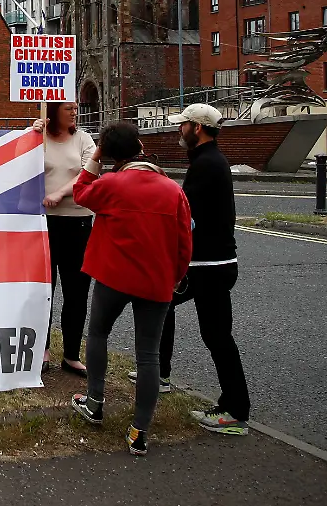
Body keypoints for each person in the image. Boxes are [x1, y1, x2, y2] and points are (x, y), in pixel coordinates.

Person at [68, 121, 192, 456]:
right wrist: (175, 277)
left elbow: (80, 192)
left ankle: (94, 402)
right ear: (139, 145)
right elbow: (184, 243)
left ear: (108, 154)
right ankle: (139, 431)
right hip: (156, 281)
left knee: (98, 334)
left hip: (113, 277)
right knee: (148, 354)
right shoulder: (172, 190)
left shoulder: (111, 184)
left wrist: (95, 158)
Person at [150, 103, 250, 435]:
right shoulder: (207, 161)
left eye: (183, 125)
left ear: (197, 128)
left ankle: (236, 411)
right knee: (163, 303)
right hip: (210, 263)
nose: (179, 130)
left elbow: (180, 207)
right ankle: (160, 374)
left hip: (210, 265)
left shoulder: (208, 164)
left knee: (217, 336)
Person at [38, 102, 96, 377]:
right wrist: (31, 136)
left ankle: (72, 354)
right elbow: (18, 166)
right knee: (44, 290)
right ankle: (43, 350)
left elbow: (89, 175)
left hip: (79, 222)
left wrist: (60, 193)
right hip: (45, 224)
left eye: (75, 108)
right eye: (68, 108)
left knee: (77, 291)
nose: (74, 112)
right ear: (52, 111)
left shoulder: (84, 139)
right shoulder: (40, 138)